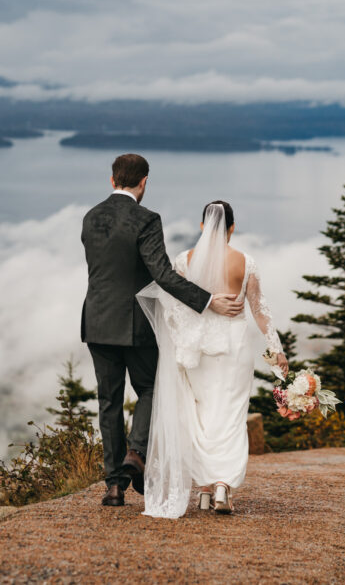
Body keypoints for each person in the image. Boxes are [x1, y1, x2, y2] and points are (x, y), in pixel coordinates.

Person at [80, 154, 244, 507]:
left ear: (112, 181)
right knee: (152, 386)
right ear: (143, 182)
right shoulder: (147, 219)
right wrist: (207, 301)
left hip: (95, 321)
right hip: (135, 324)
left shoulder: (90, 217)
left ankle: (113, 488)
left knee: (108, 401)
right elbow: (163, 274)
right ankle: (136, 453)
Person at [137, 200, 288, 517]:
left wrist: (186, 338)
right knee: (230, 417)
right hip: (233, 348)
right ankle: (222, 487)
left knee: (202, 417)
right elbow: (260, 310)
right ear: (232, 228)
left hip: (197, 352)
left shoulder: (185, 260)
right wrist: (276, 348)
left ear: (203, 227)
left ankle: (205, 490)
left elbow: (172, 307)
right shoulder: (245, 263)